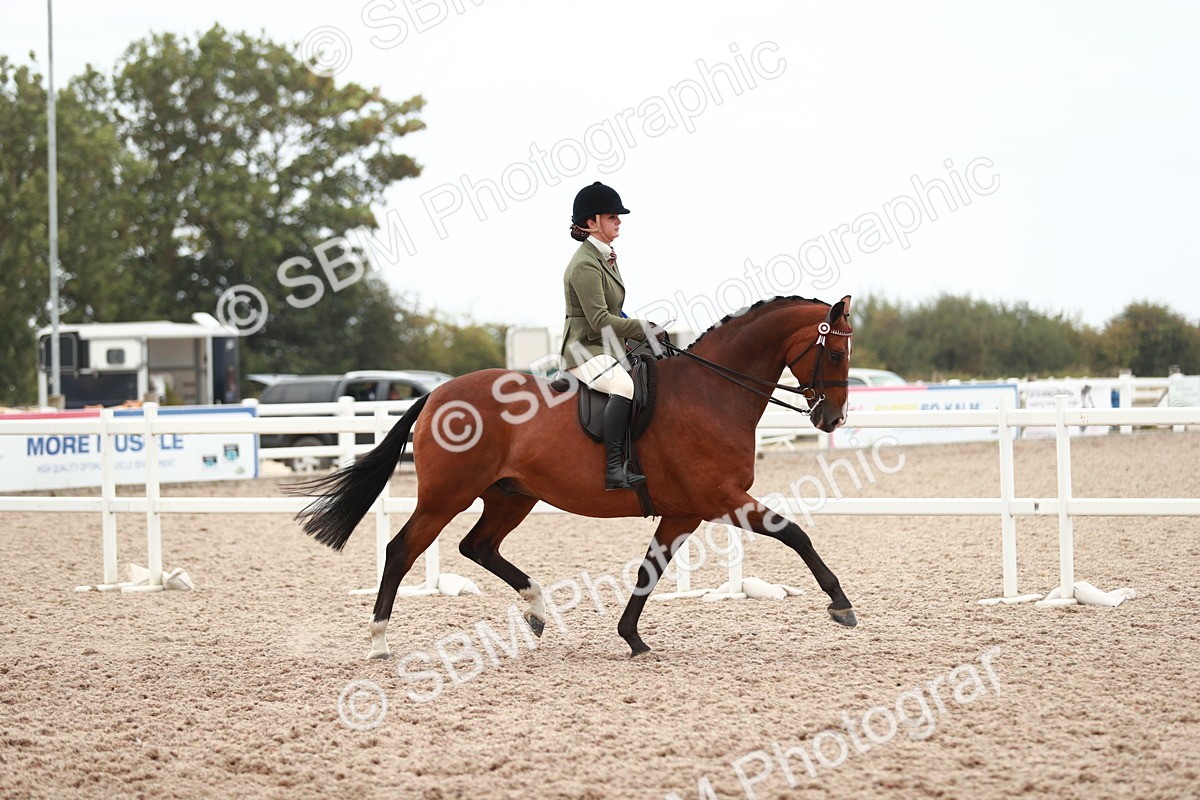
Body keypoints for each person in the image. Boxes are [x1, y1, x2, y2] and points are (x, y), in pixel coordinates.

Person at [559, 181, 664, 491]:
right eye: (612, 216)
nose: (619, 220)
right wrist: (643, 327)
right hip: (583, 350)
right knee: (622, 385)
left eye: (618, 216)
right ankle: (615, 468)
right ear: (591, 223)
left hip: (606, 347)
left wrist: (639, 329)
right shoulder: (584, 265)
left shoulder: (604, 257)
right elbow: (599, 321)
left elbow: (614, 312)